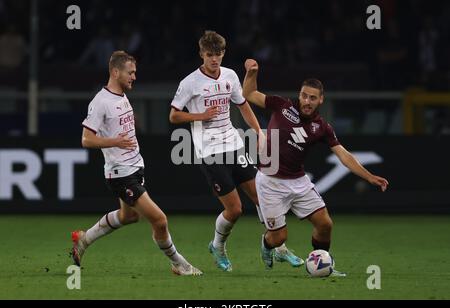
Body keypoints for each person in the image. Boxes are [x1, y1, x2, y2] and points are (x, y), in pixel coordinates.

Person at [169, 31, 302, 272]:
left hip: (234, 145)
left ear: (223, 54)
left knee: (262, 197)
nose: (214, 59)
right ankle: (217, 246)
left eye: (218, 54)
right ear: (201, 54)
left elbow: (243, 106)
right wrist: (200, 115)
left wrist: (259, 133)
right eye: (209, 55)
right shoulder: (190, 83)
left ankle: (278, 248)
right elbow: (174, 115)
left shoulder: (230, 75)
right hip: (209, 151)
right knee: (235, 209)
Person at [242, 58, 389, 276]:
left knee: (325, 224)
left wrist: (368, 176)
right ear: (299, 95)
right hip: (270, 181)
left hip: (298, 181)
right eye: (304, 96)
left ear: (321, 100)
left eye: (312, 97)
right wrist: (251, 73)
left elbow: (343, 155)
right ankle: (266, 244)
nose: (307, 101)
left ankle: (323, 265)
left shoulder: (322, 128)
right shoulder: (282, 106)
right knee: (278, 238)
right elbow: (249, 94)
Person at [71, 50, 202, 276]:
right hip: (121, 174)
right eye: (130, 73)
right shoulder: (100, 101)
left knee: (128, 216)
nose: (134, 77)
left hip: (134, 168)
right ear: (115, 72)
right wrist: (115, 141)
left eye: (134, 73)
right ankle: (179, 264)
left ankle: (84, 239)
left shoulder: (121, 96)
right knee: (160, 221)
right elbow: (86, 139)